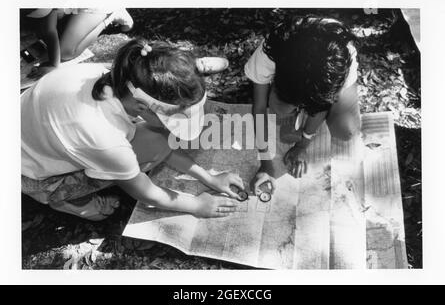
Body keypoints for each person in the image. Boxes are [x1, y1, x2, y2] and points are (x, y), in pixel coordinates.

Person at [21, 38, 244, 221]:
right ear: (142, 106)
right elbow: (146, 192)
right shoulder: (105, 138)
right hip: (30, 172)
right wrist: (196, 204)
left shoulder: (121, 74)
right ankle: (63, 200)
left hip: (29, 132)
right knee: (154, 144)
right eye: (172, 119)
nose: (175, 129)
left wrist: (210, 179)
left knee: (159, 139)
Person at [244, 16, 361, 193]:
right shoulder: (270, 53)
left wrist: (302, 145)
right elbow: (259, 108)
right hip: (294, 71)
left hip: (328, 73)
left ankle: (310, 113)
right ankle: (294, 109)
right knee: (279, 112)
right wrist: (266, 163)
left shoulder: (341, 59)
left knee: (346, 131)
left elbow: (320, 105)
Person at [21, 8, 134, 76]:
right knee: (42, 31)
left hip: (96, 2)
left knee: (65, 52)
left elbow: (50, 32)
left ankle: (110, 17)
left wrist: (53, 65)